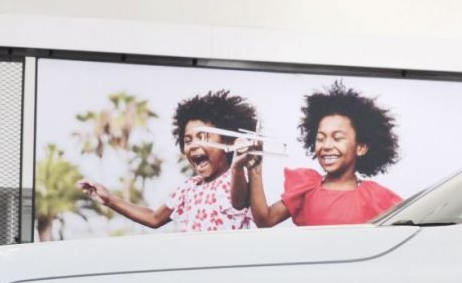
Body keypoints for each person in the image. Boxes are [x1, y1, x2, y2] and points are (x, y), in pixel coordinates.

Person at [78, 90, 258, 233]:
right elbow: (154, 218)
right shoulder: (189, 188)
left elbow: (238, 201)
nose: (193, 145)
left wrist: (237, 166)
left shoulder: (236, 178)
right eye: (188, 140)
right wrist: (110, 200)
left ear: (227, 141)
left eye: (202, 137)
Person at [247, 81, 402, 228]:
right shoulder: (306, 186)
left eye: (338, 138)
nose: (326, 146)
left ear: (361, 147)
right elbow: (265, 220)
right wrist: (255, 170)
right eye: (320, 138)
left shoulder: (375, 196)